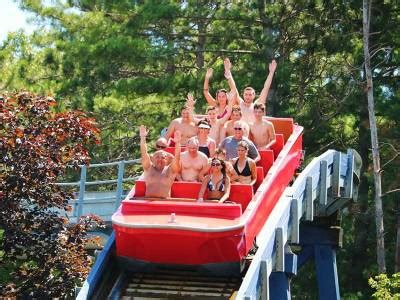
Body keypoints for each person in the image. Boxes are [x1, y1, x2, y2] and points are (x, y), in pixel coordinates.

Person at [224, 58, 277, 124]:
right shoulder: (240, 103)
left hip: (254, 132)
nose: (247, 97)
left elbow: (265, 88)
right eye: (246, 94)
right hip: (241, 131)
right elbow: (233, 88)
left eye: (250, 95)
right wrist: (228, 72)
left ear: (254, 95)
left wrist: (271, 73)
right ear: (243, 95)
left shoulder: (257, 105)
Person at [139, 125, 181, 198]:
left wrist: (177, 143)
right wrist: (143, 138)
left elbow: (177, 157)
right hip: (148, 202)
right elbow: (144, 153)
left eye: (162, 157)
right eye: (157, 157)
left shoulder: (170, 170)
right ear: (152, 159)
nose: (160, 159)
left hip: (164, 203)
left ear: (167, 159)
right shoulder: (149, 168)